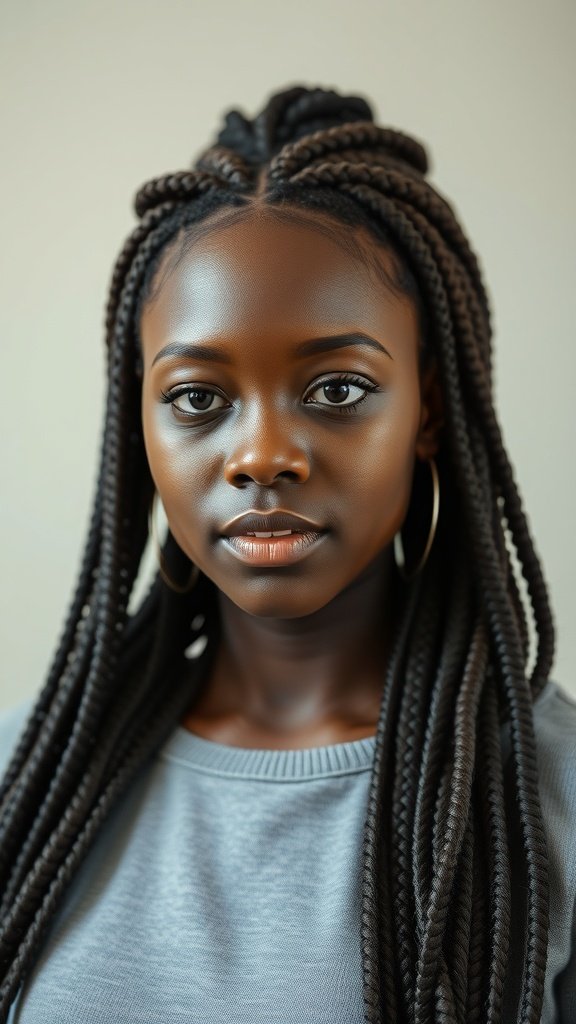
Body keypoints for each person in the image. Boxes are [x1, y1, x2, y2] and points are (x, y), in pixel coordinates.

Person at [0, 83, 574, 1024]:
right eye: (197, 398)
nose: (262, 455)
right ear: (139, 424)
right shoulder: (26, 777)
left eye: (338, 389)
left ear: (428, 410)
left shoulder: (548, 794)